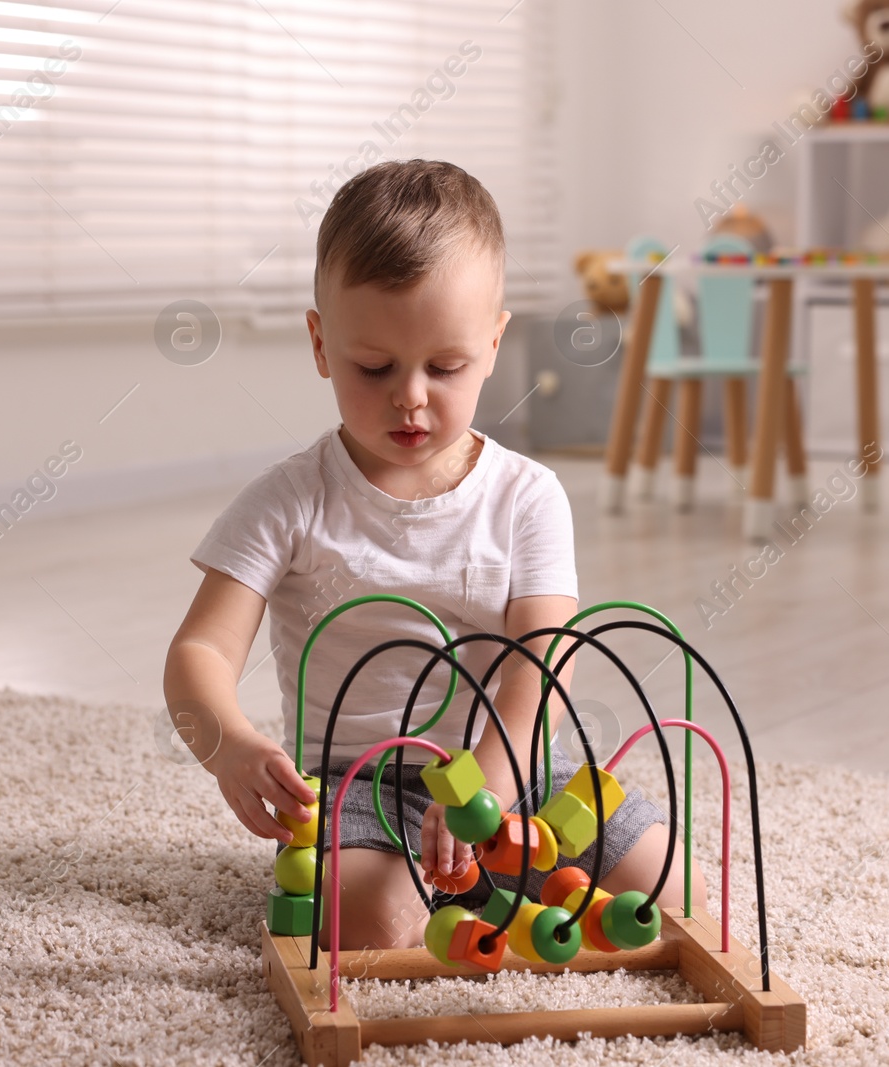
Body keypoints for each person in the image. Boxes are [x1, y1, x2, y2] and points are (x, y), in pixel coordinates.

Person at [162, 159, 705, 951]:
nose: (410, 395)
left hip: (516, 769)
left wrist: (489, 778)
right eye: (373, 366)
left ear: (493, 343)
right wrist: (229, 744)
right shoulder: (289, 499)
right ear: (321, 343)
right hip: (359, 786)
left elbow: (542, 661)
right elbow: (200, 648)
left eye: (445, 367)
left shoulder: (528, 496)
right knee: (378, 926)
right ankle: (459, 895)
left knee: (672, 893)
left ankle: (489, 884)